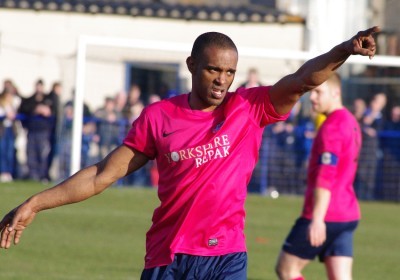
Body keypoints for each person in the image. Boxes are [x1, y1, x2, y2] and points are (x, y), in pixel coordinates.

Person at [0, 27, 379, 279]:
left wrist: (344, 50)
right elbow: (102, 174)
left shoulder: (251, 107)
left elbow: (302, 80)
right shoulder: (159, 117)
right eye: (213, 69)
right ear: (191, 66)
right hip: (169, 256)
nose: (222, 80)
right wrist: (35, 203)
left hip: (226, 257)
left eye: (229, 72)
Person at [275, 73, 362, 280]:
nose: (312, 97)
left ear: (336, 92)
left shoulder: (331, 127)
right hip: (347, 214)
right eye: (311, 92)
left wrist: (317, 219)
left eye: (318, 92)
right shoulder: (351, 122)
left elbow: (326, 176)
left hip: (326, 214)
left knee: (287, 270)